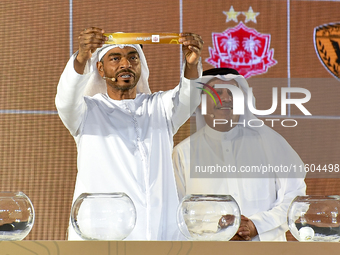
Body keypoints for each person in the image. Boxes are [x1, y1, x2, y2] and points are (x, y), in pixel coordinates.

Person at [55, 27, 204, 240]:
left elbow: (189, 97)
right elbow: (65, 100)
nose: (126, 64)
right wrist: (80, 59)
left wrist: (191, 65)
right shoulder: (87, 112)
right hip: (103, 237)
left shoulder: (159, 107)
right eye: (115, 58)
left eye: (132, 57)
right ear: (100, 68)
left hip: (160, 234)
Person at [172, 68, 306, 241]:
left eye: (232, 92)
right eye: (217, 92)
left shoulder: (269, 143)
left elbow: (296, 197)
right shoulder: (182, 154)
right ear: (200, 101)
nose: (226, 98)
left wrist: (257, 225)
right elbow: (176, 214)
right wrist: (221, 232)